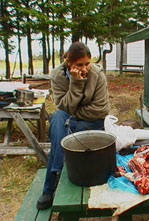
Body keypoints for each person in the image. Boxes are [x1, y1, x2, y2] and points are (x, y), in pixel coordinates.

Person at [37, 42, 110, 210]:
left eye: (87, 63)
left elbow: (101, 110)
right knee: (56, 118)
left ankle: (50, 185)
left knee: (62, 129)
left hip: (93, 122)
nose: (84, 68)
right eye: (79, 65)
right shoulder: (58, 75)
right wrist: (76, 83)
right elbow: (61, 106)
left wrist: (72, 112)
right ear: (69, 63)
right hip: (68, 118)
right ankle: (57, 172)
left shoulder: (97, 74)